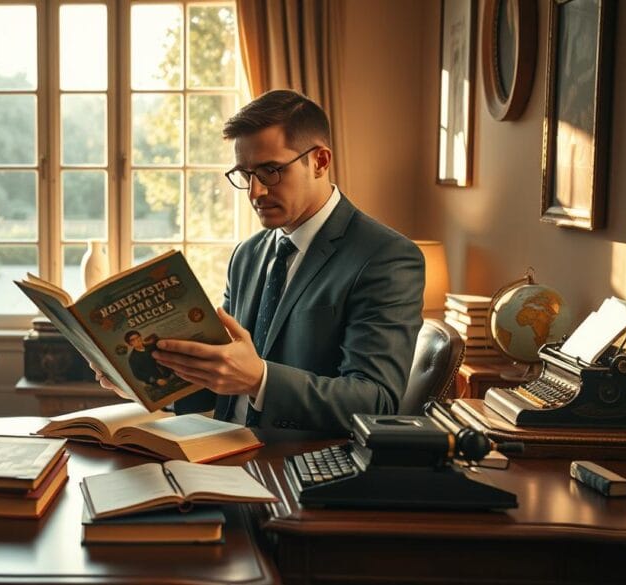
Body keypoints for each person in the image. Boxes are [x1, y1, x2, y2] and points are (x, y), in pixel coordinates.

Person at [93, 90, 424, 434]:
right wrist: (145, 386)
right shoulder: (247, 255)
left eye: (270, 171)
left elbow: (376, 403)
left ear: (320, 161)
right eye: (245, 174)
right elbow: (223, 379)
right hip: (218, 451)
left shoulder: (386, 258)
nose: (255, 192)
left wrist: (260, 380)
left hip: (297, 468)